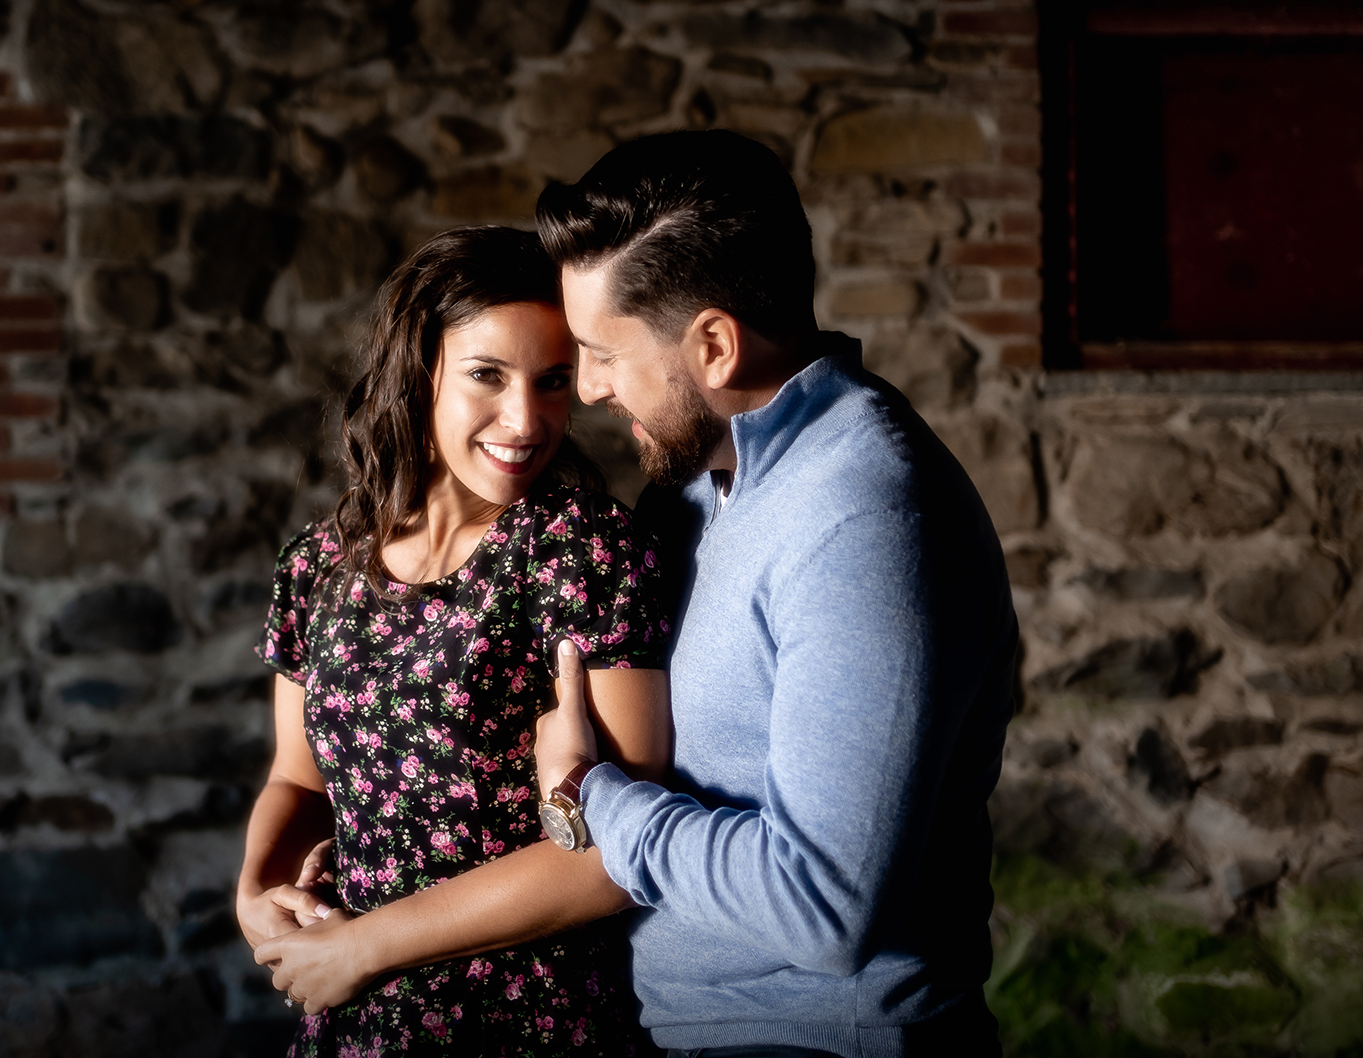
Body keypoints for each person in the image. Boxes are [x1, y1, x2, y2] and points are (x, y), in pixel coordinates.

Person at [529, 129, 1018, 1058]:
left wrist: (592, 798)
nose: (587, 389)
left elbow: (822, 908)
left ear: (715, 345)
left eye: (603, 353)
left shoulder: (864, 518)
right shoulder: (694, 487)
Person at [237, 226, 674, 1056]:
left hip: (524, 1022)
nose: (526, 419)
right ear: (419, 371)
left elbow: (618, 853)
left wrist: (366, 948)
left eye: (553, 382)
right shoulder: (319, 564)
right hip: (350, 1019)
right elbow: (297, 779)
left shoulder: (582, 552)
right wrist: (256, 893)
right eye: (487, 374)